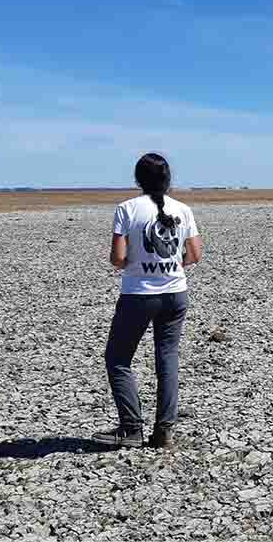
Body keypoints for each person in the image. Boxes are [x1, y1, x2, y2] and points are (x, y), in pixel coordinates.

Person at [92, 153, 203, 449]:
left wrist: (139, 263)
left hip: (139, 295)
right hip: (176, 294)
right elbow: (193, 255)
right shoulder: (184, 209)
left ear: (138, 179)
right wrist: (168, 264)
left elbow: (117, 258)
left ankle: (131, 428)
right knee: (167, 359)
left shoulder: (126, 209)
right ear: (168, 179)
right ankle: (164, 431)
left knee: (118, 359)